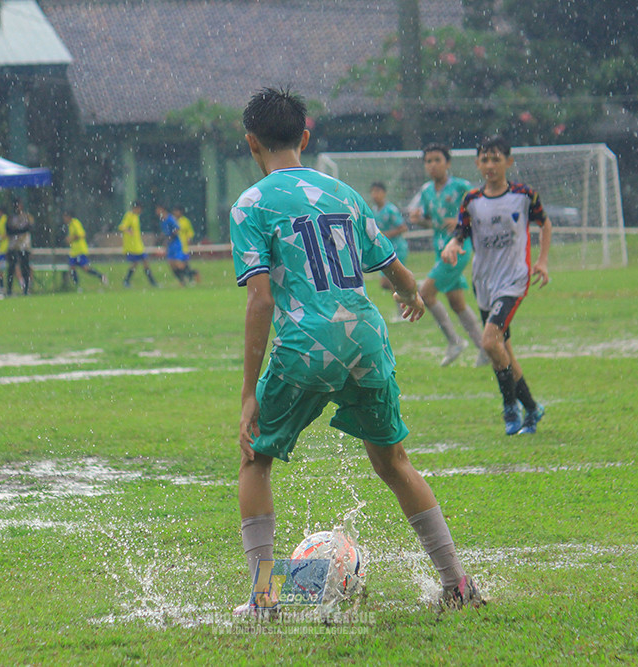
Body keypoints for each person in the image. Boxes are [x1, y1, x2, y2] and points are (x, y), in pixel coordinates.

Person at [232, 86, 485, 616]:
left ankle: (264, 601)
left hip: (305, 345)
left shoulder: (251, 204)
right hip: (365, 339)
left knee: (255, 458)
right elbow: (394, 270)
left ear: (251, 143)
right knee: (393, 461)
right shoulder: (344, 195)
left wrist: (248, 394)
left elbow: (261, 299)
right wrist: (411, 292)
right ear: (305, 136)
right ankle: (458, 585)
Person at [442, 135, 551, 435]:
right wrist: (453, 245)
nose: (490, 165)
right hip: (484, 282)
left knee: (490, 342)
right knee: (502, 352)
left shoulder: (524, 195)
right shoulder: (472, 200)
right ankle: (531, 408)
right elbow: (461, 232)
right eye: (485, 159)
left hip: (513, 280)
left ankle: (509, 409)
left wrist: (541, 261)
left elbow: (545, 223)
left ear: (508, 161)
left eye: (496, 159)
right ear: (477, 163)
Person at [409, 144, 486, 367]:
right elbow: (428, 219)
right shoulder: (426, 191)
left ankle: (454, 341)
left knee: (425, 293)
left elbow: (480, 210)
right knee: (456, 302)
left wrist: (462, 221)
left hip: (458, 248)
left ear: (448, 163)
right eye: (428, 161)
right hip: (439, 249)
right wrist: (418, 218)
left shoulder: (462, 186)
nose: (432, 165)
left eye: (437, 160)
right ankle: (484, 348)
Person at [370, 182, 408, 320]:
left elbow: (403, 227)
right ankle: (415, 287)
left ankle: (402, 313)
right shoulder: (373, 210)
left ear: (384, 193)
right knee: (385, 283)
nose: (375, 195)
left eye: (378, 191)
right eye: (373, 192)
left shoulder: (391, 209)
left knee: (393, 281)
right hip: (384, 251)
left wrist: (386, 235)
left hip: (397, 248)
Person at [118, 201, 158, 287]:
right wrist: (129, 231)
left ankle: (127, 281)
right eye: (139, 208)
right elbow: (122, 227)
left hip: (138, 245)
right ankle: (152, 282)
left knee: (138, 264)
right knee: (140, 263)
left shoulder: (136, 217)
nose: (140, 211)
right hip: (133, 246)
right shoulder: (129, 216)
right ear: (135, 208)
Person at [63, 212, 107, 287]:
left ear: (69, 217)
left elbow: (82, 234)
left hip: (80, 250)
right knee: (72, 267)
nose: (64, 219)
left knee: (85, 268)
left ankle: (101, 276)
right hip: (74, 251)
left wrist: (71, 238)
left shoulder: (75, 223)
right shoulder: (70, 225)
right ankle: (76, 286)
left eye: (65, 217)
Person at [158, 203, 192, 286]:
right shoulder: (163, 220)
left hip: (176, 244)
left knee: (178, 264)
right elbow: (165, 232)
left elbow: (177, 229)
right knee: (171, 264)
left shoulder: (170, 219)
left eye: (158, 210)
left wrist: (170, 237)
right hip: (170, 245)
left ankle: (191, 275)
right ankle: (182, 281)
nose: (157, 212)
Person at [5, 198, 33, 296]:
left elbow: (29, 228)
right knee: (11, 268)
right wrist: (19, 230)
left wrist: (18, 230)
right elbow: (9, 230)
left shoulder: (26, 217)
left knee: (25, 268)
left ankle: (26, 289)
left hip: (24, 246)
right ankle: (9, 290)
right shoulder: (11, 218)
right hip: (13, 246)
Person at [173, 205, 201, 284]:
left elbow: (190, 232)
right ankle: (191, 276)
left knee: (181, 265)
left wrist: (189, 239)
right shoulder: (173, 221)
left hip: (183, 247)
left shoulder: (185, 221)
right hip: (176, 247)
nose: (175, 213)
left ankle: (186, 279)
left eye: (177, 211)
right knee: (182, 265)